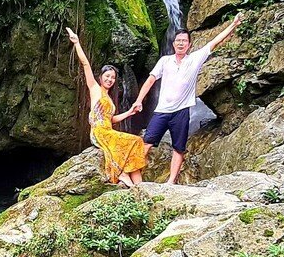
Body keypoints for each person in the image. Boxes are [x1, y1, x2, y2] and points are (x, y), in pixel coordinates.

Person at [130, 14, 244, 185]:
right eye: (178, 40)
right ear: (173, 43)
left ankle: (171, 182)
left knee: (179, 147)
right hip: (161, 110)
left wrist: (234, 24)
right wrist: (139, 100)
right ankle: (135, 178)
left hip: (181, 112)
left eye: (184, 40)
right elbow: (150, 80)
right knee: (146, 144)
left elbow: (215, 41)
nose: (181, 43)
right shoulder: (164, 61)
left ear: (189, 45)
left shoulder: (194, 59)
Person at [64, 28, 148, 187]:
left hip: (108, 130)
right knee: (134, 140)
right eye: (107, 76)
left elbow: (112, 119)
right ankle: (122, 175)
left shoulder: (110, 98)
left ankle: (140, 187)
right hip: (99, 132)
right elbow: (85, 64)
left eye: (113, 77)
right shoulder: (95, 89)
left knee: (136, 142)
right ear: (101, 77)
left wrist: (130, 112)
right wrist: (77, 43)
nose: (110, 79)